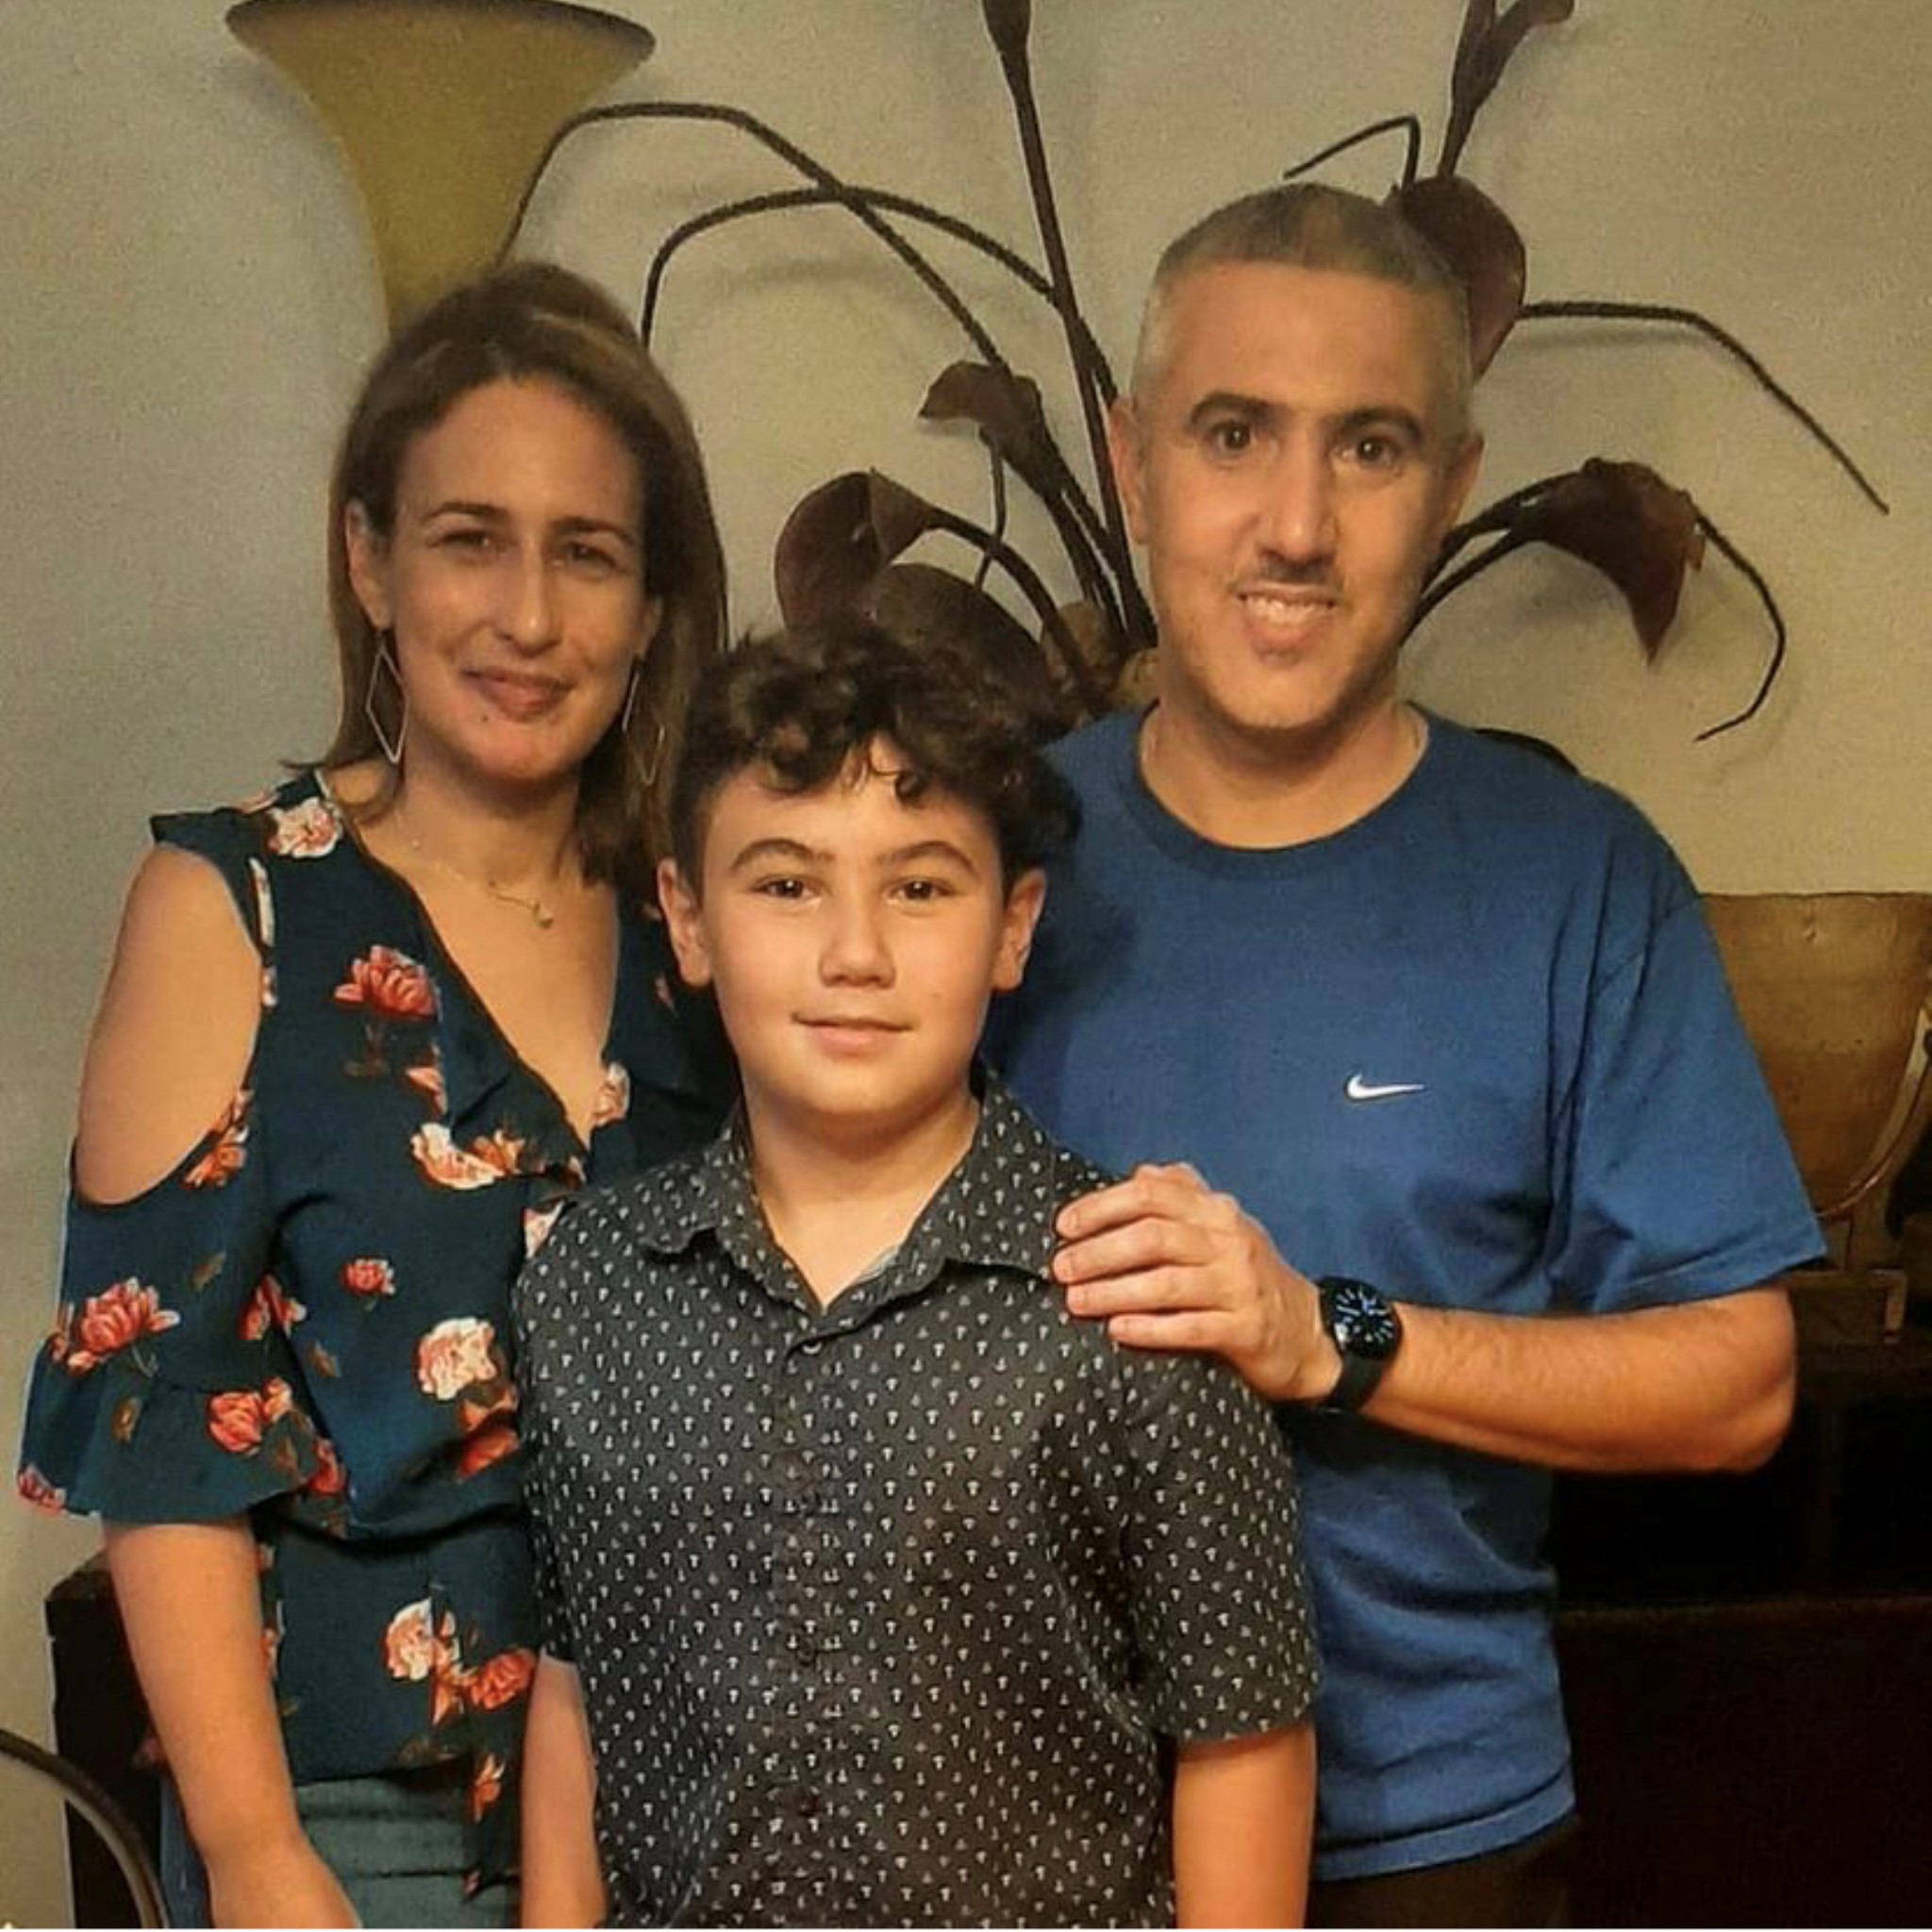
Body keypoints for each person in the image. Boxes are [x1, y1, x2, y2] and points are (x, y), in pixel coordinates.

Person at [990, 184, 1822, 1925]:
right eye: (1234, 435)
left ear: (1452, 486)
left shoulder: (1574, 881)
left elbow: (1740, 1382)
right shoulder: (975, 866)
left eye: (1369, 448)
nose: (1296, 525)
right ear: (1132, 465)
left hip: (1430, 1840)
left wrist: (1332, 1338)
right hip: (1019, 1821)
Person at [15, 261, 734, 1928]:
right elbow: (161, 1419)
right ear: (371, 562)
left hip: (696, 1772)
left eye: (588, 553)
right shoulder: (239, 910)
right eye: (471, 539)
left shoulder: (710, 927)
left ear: (650, 603)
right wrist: (256, 1853)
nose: (528, 618)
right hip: (358, 1814)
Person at [513, 619, 1320, 1928]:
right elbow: (578, 1682)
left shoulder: (1135, 1292)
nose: (856, 954)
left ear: (1014, 927)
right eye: (787, 885)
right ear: (688, 919)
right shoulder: (590, 1287)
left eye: (922, 888)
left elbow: (1244, 1733)